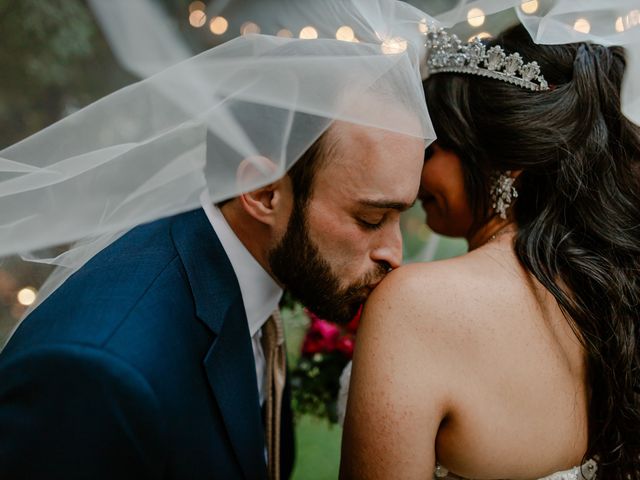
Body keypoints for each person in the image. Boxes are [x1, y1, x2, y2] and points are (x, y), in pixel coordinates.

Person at [0, 114, 424, 478]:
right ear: (262, 193)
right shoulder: (99, 375)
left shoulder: (249, 266)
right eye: (370, 219)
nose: (394, 253)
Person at [340, 24, 640, 479]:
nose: (415, 171)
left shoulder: (417, 304)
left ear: (507, 164)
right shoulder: (618, 289)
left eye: (434, 148)